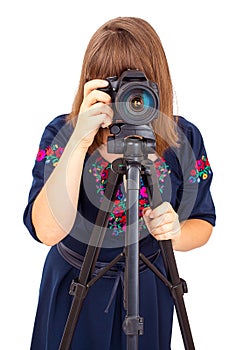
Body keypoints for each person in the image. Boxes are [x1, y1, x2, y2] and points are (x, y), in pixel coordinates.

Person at [23, 17, 216, 350]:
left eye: (139, 86)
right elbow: (47, 232)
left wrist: (175, 231)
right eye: (115, 85)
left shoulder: (182, 138)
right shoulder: (63, 133)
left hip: (149, 285)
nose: (128, 99)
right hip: (74, 284)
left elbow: (204, 221)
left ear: (159, 83)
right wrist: (80, 140)